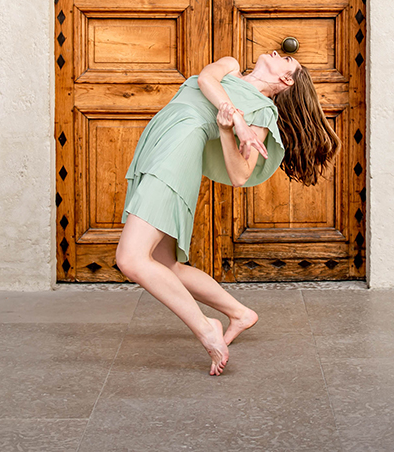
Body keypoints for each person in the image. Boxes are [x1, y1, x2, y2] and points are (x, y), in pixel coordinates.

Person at [114, 51, 340, 375]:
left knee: (131, 259)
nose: (281, 52)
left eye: (289, 60)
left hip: (176, 154)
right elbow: (206, 79)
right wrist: (238, 124)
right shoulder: (231, 67)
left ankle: (206, 327)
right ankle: (239, 313)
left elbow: (240, 175)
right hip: (158, 147)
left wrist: (226, 131)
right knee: (164, 264)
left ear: (286, 80)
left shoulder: (263, 111)